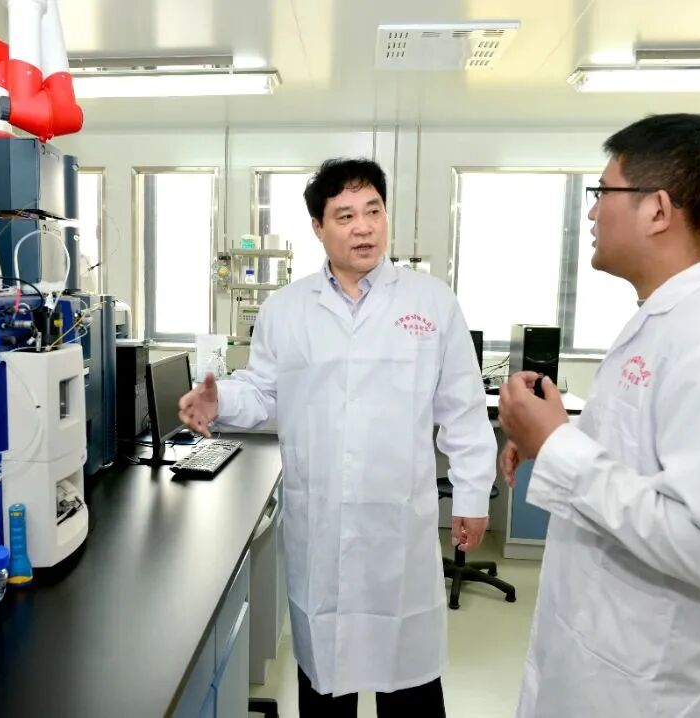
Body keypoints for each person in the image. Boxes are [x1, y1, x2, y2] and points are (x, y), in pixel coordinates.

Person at [498, 113, 700, 717]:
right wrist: (553, 436)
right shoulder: (666, 320)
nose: (591, 212)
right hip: (606, 661)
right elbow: (644, 459)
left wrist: (558, 447)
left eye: (603, 192)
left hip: (663, 689)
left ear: (658, 210)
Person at [178, 158, 496, 717]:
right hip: (321, 524)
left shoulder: (431, 303)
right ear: (318, 228)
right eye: (345, 215)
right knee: (326, 687)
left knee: (411, 689)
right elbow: (263, 392)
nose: (364, 227)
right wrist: (220, 400)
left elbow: (463, 410)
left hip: (398, 525)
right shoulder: (286, 309)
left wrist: (471, 495)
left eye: (374, 210)